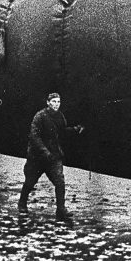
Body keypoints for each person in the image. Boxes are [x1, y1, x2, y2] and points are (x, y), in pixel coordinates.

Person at [18, 92, 83, 220]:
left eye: (58, 102)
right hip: (37, 157)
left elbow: (62, 131)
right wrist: (45, 152)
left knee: (60, 182)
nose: (56, 104)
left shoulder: (60, 116)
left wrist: (75, 130)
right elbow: (34, 136)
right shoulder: (40, 116)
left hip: (53, 156)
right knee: (30, 181)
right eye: (53, 101)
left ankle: (61, 210)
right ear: (48, 102)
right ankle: (22, 203)